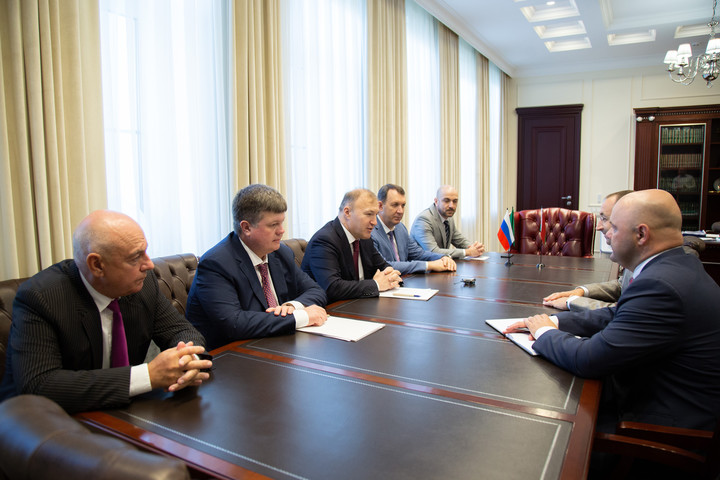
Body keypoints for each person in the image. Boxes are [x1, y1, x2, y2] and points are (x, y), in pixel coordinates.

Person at [505, 189, 720, 431]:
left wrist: (544, 333)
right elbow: (618, 314)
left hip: (655, 429)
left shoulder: (660, 286)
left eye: (614, 228)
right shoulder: (677, 266)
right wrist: (555, 321)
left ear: (641, 234)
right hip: (649, 391)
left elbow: (588, 360)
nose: (606, 234)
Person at [0, 211, 212, 414]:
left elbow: (181, 331)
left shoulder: (143, 284)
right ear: (97, 265)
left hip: (121, 411)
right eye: (135, 257)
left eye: (146, 251)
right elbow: (40, 385)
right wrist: (147, 376)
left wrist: (187, 361)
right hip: (40, 423)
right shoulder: (40, 298)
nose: (148, 264)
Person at [186, 185, 327, 350]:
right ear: (246, 228)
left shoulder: (280, 253)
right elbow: (234, 323)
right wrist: (300, 317)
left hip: (276, 344)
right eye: (273, 224)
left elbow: (316, 291)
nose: (281, 231)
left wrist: (291, 307)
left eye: (281, 222)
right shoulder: (216, 264)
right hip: (230, 354)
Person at [301, 188, 402, 303]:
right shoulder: (325, 240)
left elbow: (383, 266)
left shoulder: (363, 237)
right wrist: (376, 284)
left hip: (359, 304)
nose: (374, 222)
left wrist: (391, 276)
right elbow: (333, 288)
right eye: (369, 214)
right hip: (330, 308)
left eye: (376, 215)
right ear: (347, 212)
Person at [543, 190, 633, 311]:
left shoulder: (652, 276)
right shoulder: (638, 262)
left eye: (604, 219)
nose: (598, 227)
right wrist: (582, 291)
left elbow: (626, 312)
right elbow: (621, 286)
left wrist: (573, 302)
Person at [371, 184, 456, 275]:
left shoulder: (400, 228)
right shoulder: (370, 231)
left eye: (403, 205)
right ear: (380, 206)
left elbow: (419, 254)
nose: (400, 211)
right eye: (395, 205)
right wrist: (428, 265)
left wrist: (443, 257)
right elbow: (384, 266)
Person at [410, 185, 484, 259]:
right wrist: (467, 252)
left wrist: (475, 248)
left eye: (455, 201)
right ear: (436, 201)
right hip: (424, 264)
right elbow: (433, 251)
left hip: (442, 263)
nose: (451, 206)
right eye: (446, 201)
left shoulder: (448, 218)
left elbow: (459, 240)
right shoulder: (423, 220)